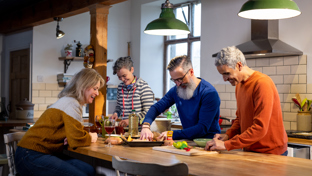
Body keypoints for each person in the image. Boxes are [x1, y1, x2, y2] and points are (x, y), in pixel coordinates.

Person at [15, 68, 105, 176]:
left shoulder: (68, 101)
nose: (97, 93)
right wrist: (91, 137)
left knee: (89, 170)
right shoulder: (72, 104)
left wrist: (70, 137)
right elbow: (76, 140)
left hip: (34, 153)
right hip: (31, 155)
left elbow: (73, 136)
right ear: (84, 86)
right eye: (95, 88)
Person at [205, 46, 288, 156]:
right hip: (251, 151)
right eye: (222, 75)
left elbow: (260, 128)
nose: (224, 79)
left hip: (271, 153)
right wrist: (228, 135)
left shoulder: (262, 83)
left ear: (239, 65)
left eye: (226, 73)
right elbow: (240, 119)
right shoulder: (239, 86)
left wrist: (226, 145)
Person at [140, 55, 221, 140]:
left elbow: (202, 128)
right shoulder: (176, 90)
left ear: (191, 72)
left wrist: (172, 134)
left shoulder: (208, 93)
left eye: (180, 79)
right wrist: (145, 126)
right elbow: (156, 107)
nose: (178, 84)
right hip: (189, 141)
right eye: (174, 80)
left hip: (209, 143)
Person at [110, 56, 154, 126]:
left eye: (124, 76)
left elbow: (149, 113)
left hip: (140, 132)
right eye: (119, 77)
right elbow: (119, 107)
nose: (122, 79)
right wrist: (116, 113)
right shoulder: (120, 88)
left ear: (132, 70)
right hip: (125, 131)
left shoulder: (143, 87)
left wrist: (131, 121)